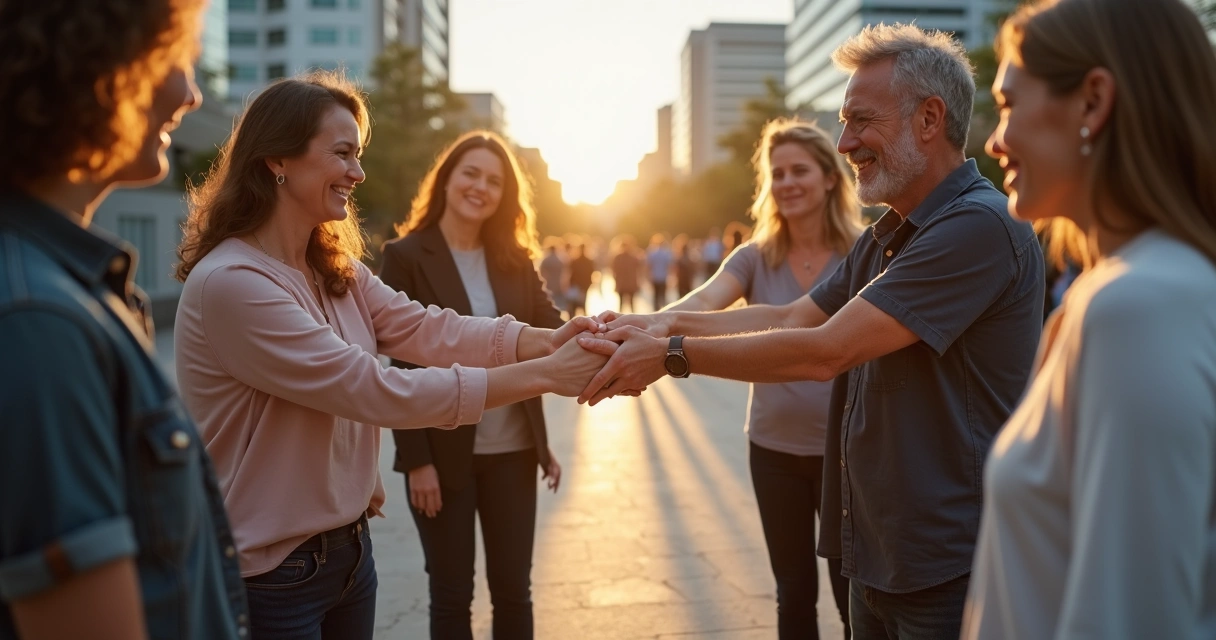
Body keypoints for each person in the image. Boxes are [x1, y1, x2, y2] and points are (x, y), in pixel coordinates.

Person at [577, 24, 1045, 640]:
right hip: (881, 553)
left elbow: (829, 350)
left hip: (947, 563)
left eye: (860, 120)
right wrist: (654, 321)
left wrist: (669, 356)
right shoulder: (889, 236)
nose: (845, 141)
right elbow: (795, 315)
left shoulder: (975, 228)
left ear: (930, 119)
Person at [172, 72, 610, 640]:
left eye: (359, 155)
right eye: (342, 154)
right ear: (277, 159)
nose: (357, 172)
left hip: (350, 556)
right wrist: (545, 375)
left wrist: (544, 340)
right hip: (269, 576)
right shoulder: (234, 284)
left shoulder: (335, 269)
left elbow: (430, 329)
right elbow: (375, 389)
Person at [962, 1, 1216, 638]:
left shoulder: (1138, 307)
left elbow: (1128, 617)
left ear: (1093, 102)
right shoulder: (1133, 293)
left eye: (1010, 105)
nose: (994, 139)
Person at [0, 2, 251, 639]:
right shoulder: (40, 323)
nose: (191, 95)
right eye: (172, 61)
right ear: (95, 66)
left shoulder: (56, 292)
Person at [665, 119, 861, 639]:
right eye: (776, 173)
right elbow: (703, 303)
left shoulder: (862, 252)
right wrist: (650, 326)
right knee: (793, 592)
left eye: (799, 170)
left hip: (847, 453)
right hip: (773, 450)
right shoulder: (754, 255)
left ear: (829, 178)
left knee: (853, 598)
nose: (787, 182)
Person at [379, 131, 567, 640]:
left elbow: (552, 330)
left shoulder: (515, 258)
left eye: (494, 180)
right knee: (451, 594)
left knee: (513, 590)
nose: (480, 187)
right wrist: (416, 459)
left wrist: (613, 334)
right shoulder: (405, 256)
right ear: (446, 178)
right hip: (441, 455)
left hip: (514, 449)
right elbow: (397, 362)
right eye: (471, 173)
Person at [611, 235, 642, 313]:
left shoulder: (619, 257)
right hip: (626, 283)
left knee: (629, 303)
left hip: (626, 283)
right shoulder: (631, 257)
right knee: (624, 303)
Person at [645, 233, 674, 310]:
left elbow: (648, 266)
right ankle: (663, 310)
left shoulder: (652, 253)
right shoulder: (666, 253)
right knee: (663, 296)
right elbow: (669, 266)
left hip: (654, 276)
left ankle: (656, 311)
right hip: (663, 277)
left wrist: (648, 277)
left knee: (655, 296)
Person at [566, 242, 595, 316]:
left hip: (576, 284)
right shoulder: (589, 261)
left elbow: (571, 273)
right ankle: (584, 319)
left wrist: (570, 284)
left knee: (574, 304)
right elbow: (591, 272)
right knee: (583, 303)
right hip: (584, 285)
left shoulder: (574, 261)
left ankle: (573, 320)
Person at [539, 237, 566, 313]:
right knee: (558, 305)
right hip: (558, 284)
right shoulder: (559, 260)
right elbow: (563, 273)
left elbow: (541, 272)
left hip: (549, 284)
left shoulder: (546, 260)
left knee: (551, 303)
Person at [672, 234, 697, 299]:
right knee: (688, 296)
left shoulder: (679, 259)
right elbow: (693, 271)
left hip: (681, 281)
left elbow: (676, 270)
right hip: (687, 281)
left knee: (681, 296)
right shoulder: (690, 259)